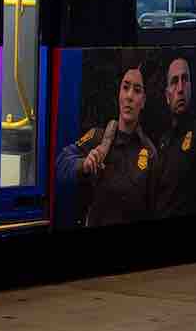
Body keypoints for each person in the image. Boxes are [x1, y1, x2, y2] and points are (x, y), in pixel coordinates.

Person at [57, 64, 157, 227]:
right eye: (125, 88)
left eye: (137, 90)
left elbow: (154, 208)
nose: (129, 96)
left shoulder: (150, 152)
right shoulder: (98, 137)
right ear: (119, 94)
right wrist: (84, 164)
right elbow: (61, 164)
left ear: (143, 101)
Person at [150, 55, 196, 219]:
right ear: (167, 95)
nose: (180, 88)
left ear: (191, 88)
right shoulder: (163, 141)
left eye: (185, 79)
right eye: (174, 81)